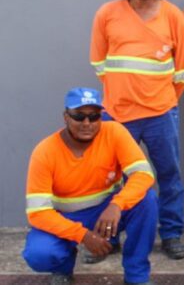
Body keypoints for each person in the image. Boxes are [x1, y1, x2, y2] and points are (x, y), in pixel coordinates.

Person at [90, 0, 184, 259]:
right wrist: (124, 91)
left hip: (161, 112)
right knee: (110, 178)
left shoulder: (173, 16)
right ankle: (110, 238)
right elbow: (99, 62)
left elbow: (183, 69)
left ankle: (171, 233)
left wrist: (165, 99)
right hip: (117, 114)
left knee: (169, 174)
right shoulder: (108, 13)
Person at [23, 88, 158, 285]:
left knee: (147, 200)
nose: (87, 123)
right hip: (65, 218)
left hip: (105, 213)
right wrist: (83, 235)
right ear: (66, 117)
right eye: (79, 116)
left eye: (94, 116)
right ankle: (62, 269)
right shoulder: (44, 152)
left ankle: (136, 276)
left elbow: (144, 175)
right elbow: (37, 213)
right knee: (39, 254)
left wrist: (116, 205)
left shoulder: (114, 132)